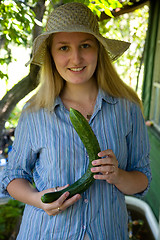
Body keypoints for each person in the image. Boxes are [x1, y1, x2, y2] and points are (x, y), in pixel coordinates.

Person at [1, 2, 151, 240]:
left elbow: (142, 178)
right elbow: (12, 176)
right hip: (45, 233)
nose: (76, 58)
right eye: (63, 48)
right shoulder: (34, 112)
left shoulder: (128, 109)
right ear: (51, 53)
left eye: (85, 45)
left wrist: (118, 175)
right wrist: (38, 200)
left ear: (98, 49)